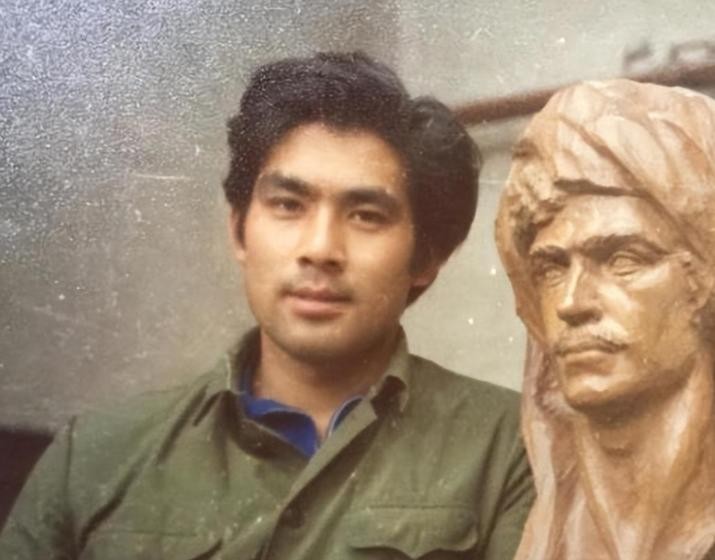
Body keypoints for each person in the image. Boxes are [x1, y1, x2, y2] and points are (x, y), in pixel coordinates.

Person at [1, 51, 533, 559]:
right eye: (288, 204)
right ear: (239, 229)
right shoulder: (93, 455)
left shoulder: (511, 448)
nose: (320, 248)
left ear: (426, 258)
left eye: (367, 215)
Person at [495, 79, 715, 560]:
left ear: (703, 281)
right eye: (551, 268)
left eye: (622, 260)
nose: (572, 303)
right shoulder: (546, 521)